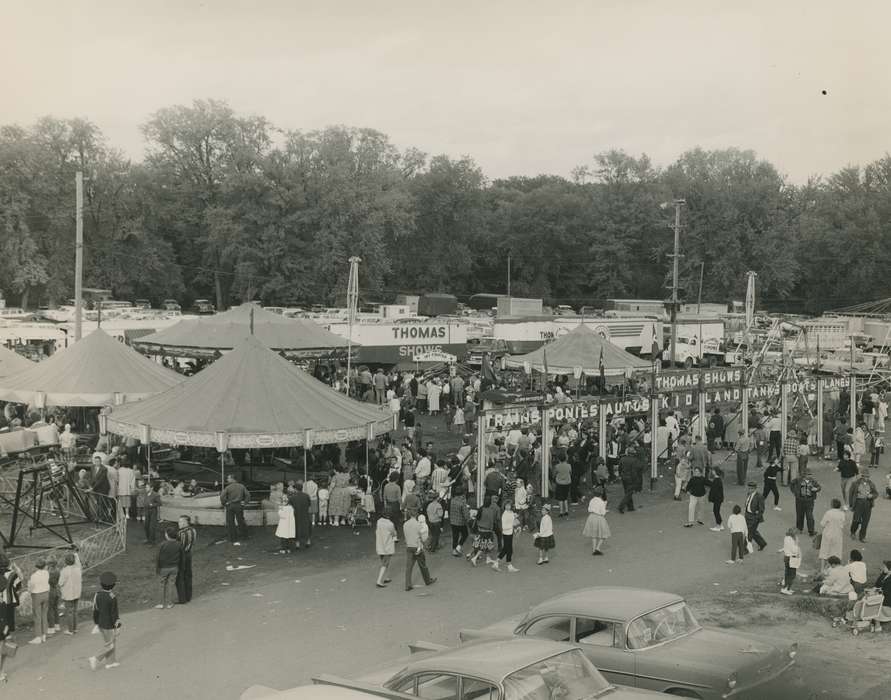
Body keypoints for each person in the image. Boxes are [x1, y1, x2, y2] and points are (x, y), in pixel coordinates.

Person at [88, 571, 121, 670]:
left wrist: (96, 623)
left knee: (109, 642)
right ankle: (95, 658)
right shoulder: (112, 597)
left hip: (101, 623)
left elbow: (95, 610)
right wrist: (118, 626)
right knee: (110, 644)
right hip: (109, 625)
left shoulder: (97, 595)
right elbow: (114, 614)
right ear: (113, 585)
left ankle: (110, 662)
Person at [403, 510, 436, 591]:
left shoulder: (405, 524)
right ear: (416, 515)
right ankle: (427, 580)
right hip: (417, 546)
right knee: (422, 564)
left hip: (409, 546)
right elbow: (421, 537)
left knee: (409, 567)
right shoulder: (418, 525)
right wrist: (423, 546)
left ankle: (407, 585)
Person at [468, 495, 500, 567]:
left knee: (486, 545)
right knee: (485, 546)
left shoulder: (481, 509)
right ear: (490, 502)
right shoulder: (491, 511)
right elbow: (493, 521)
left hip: (480, 530)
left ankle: (488, 558)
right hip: (488, 531)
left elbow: (477, 518)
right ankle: (474, 558)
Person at [849, 467, 878, 543]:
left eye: (868, 476)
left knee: (865, 521)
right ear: (862, 476)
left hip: (868, 504)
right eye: (865, 476)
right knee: (856, 520)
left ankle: (862, 537)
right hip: (858, 502)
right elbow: (851, 494)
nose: (866, 478)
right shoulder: (856, 483)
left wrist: (872, 496)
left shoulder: (871, 484)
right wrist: (851, 504)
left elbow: (876, 493)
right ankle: (853, 532)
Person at [155, 527, 182, 610]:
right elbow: (181, 556)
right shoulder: (179, 544)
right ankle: (170, 603)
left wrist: (158, 568)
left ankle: (160, 603)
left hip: (164, 568)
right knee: (171, 584)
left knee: (161, 584)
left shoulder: (162, 544)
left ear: (167, 535)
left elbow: (158, 557)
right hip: (174, 567)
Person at [790, 467, 821, 537]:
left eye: (810, 474)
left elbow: (819, 487)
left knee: (809, 516)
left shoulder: (813, 481)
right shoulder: (798, 480)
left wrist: (816, 489)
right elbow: (792, 483)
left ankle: (811, 531)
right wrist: (794, 492)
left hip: (809, 501)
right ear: (804, 475)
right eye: (808, 475)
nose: (810, 476)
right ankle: (799, 528)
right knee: (799, 514)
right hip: (799, 500)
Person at [818, 498, 847, 573]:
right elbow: (842, 525)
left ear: (832, 505)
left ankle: (822, 569)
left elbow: (822, 524)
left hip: (827, 534)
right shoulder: (842, 514)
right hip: (837, 535)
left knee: (824, 551)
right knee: (836, 552)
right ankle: (833, 569)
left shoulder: (828, 513)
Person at [220, 474, 249, 545]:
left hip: (230, 506)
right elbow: (248, 495)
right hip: (239, 505)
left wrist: (225, 503)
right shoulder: (242, 486)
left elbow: (222, 496)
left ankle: (233, 538)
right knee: (241, 521)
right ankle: (244, 536)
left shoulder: (228, 487)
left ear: (233, 479)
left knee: (230, 522)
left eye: (228, 478)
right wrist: (244, 503)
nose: (227, 480)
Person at [59, 551, 83, 634]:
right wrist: (76, 555)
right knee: (75, 611)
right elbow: (78, 563)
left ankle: (70, 630)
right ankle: (75, 628)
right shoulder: (78, 569)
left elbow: (60, 583)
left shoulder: (64, 571)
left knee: (69, 611)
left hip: (68, 593)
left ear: (65, 561)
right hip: (77, 592)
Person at [28, 559, 50, 644]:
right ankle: (44, 633)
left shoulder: (33, 576)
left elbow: (31, 588)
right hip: (46, 593)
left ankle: (38, 636)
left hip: (37, 595)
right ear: (44, 566)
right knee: (44, 614)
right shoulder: (46, 573)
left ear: (36, 566)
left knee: (37, 615)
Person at [176, 515, 196, 604]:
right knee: (188, 575)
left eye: (180, 522)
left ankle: (182, 598)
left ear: (185, 522)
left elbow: (180, 546)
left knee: (180, 576)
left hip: (182, 555)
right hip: (189, 554)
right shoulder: (193, 530)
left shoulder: (181, 533)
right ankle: (188, 596)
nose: (179, 523)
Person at [494, 501, 518, 572]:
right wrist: (512, 525)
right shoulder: (504, 514)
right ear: (504, 506)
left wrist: (515, 517)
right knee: (507, 549)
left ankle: (505, 564)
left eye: (509, 505)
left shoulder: (511, 513)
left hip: (510, 533)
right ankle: (506, 565)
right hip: (506, 533)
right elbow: (504, 527)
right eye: (506, 505)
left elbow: (514, 521)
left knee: (508, 549)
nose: (508, 507)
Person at [375, 511, 397, 588]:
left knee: (383, 561)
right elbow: (393, 533)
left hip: (379, 544)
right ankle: (379, 580)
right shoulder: (390, 524)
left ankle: (386, 577)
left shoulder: (378, 521)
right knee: (385, 563)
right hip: (387, 546)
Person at [744, 481, 766, 551]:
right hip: (747, 515)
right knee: (752, 532)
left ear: (755, 489)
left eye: (751, 488)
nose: (749, 490)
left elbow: (761, 510)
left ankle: (746, 549)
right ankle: (762, 543)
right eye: (749, 488)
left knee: (749, 533)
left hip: (754, 517)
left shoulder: (759, 496)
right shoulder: (749, 494)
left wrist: (756, 518)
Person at [449, 487, 471, 556]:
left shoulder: (452, 500)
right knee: (465, 534)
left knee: (455, 536)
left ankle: (454, 550)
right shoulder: (462, 503)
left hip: (453, 521)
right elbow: (466, 514)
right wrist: (469, 519)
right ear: (462, 494)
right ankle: (458, 547)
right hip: (461, 522)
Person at [617, 447, 639, 514]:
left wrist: (620, 475)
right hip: (631, 479)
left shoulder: (622, 459)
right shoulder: (634, 460)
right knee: (629, 493)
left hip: (624, 478)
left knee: (627, 492)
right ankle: (621, 506)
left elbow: (619, 468)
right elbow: (634, 472)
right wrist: (636, 480)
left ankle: (630, 507)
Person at [780, 528, 802, 595]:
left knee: (788, 574)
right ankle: (786, 588)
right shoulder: (792, 540)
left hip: (787, 558)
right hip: (791, 559)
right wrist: (797, 544)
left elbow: (786, 547)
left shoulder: (786, 538)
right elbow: (794, 550)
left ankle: (787, 588)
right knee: (791, 575)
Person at [553, 452, 572, 517]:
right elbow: (570, 472)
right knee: (565, 497)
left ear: (558, 459)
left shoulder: (557, 466)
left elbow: (554, 474)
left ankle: (561, 512)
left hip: (559, 483)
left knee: (560, 498)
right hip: (567, 482)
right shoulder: (569, 465)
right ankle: (566, 510)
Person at [46, 558, 61, 634]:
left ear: (51, 564)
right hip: (57, 589)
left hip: (51, 590)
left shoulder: (50, 573)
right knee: (55, 608)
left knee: (50, 609)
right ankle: (57, 625)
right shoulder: (58, 570)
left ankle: (51, 627)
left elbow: (48, 581)